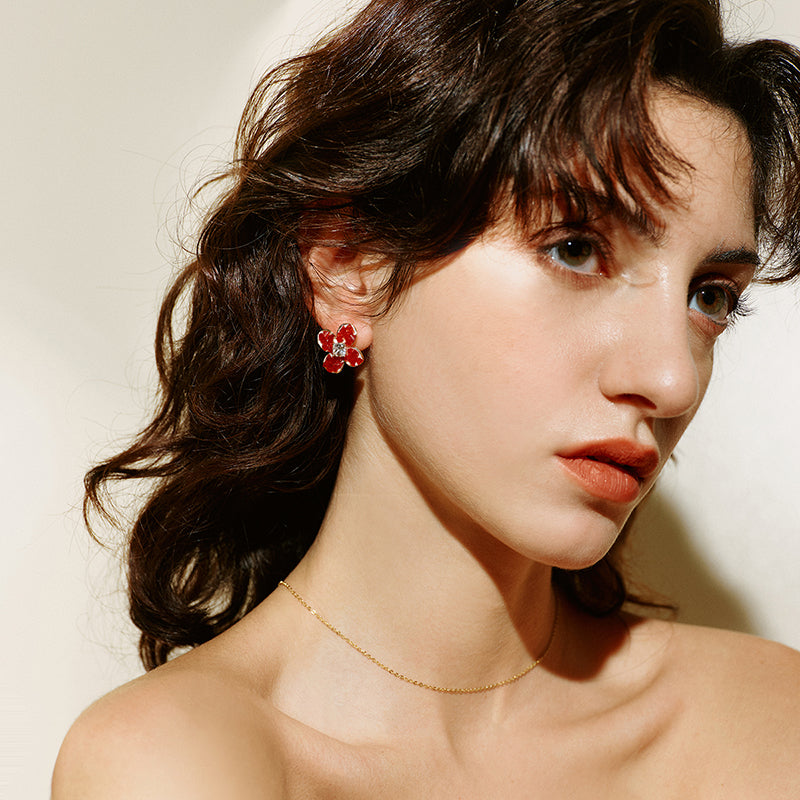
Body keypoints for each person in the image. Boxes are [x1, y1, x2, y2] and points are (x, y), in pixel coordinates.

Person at [53, 0, 800, 796]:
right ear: (349, 265)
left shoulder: (768, 721)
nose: (671, 379)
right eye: (576, 249)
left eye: (711, 296)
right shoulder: (180, 764)